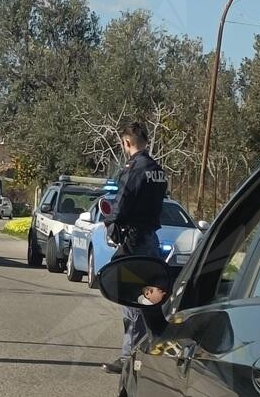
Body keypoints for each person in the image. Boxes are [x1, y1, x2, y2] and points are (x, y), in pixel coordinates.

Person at [101, 122, 168, 374]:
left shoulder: (134, 169)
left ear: (126, 143)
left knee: (131, 297)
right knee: (150, 297)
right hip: (151, 240)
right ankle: (155, 350)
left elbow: (122, 204)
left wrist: (110, 222)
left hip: (134, 242)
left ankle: (130, 357)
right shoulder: (157, 170)